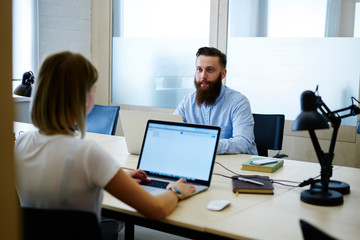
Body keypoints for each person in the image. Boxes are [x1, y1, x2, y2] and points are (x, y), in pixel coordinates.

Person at [15, 51, 196, 239]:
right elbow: (156, 209)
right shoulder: (86, 153)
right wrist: (176, 191)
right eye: (93, 88)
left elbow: (57, 195)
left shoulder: (21, 144)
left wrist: (115, 178)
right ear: (83, 97)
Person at [174, 47, 258, 155]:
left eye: (210, 70)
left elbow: (242, 143)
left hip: (236, 168)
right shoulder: (188, 102)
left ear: (223, 74)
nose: (203, 76)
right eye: (199, 69)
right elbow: (172, 132)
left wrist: (205, 144)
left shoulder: (238, 102)